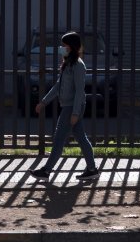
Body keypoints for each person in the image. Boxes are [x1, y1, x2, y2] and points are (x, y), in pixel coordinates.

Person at [28, 32, 100, 182]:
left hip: (72, 107)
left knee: (59, 138)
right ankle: (92, 169)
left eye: (64, 45)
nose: (62, 48)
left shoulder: (79, 66)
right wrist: (44, 102)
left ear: (72, 47)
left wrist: (75, 112)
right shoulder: (68, 64)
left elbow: (80, 90)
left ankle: (46, 171)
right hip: (69, 106)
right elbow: (58, 86)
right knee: (81, 138)